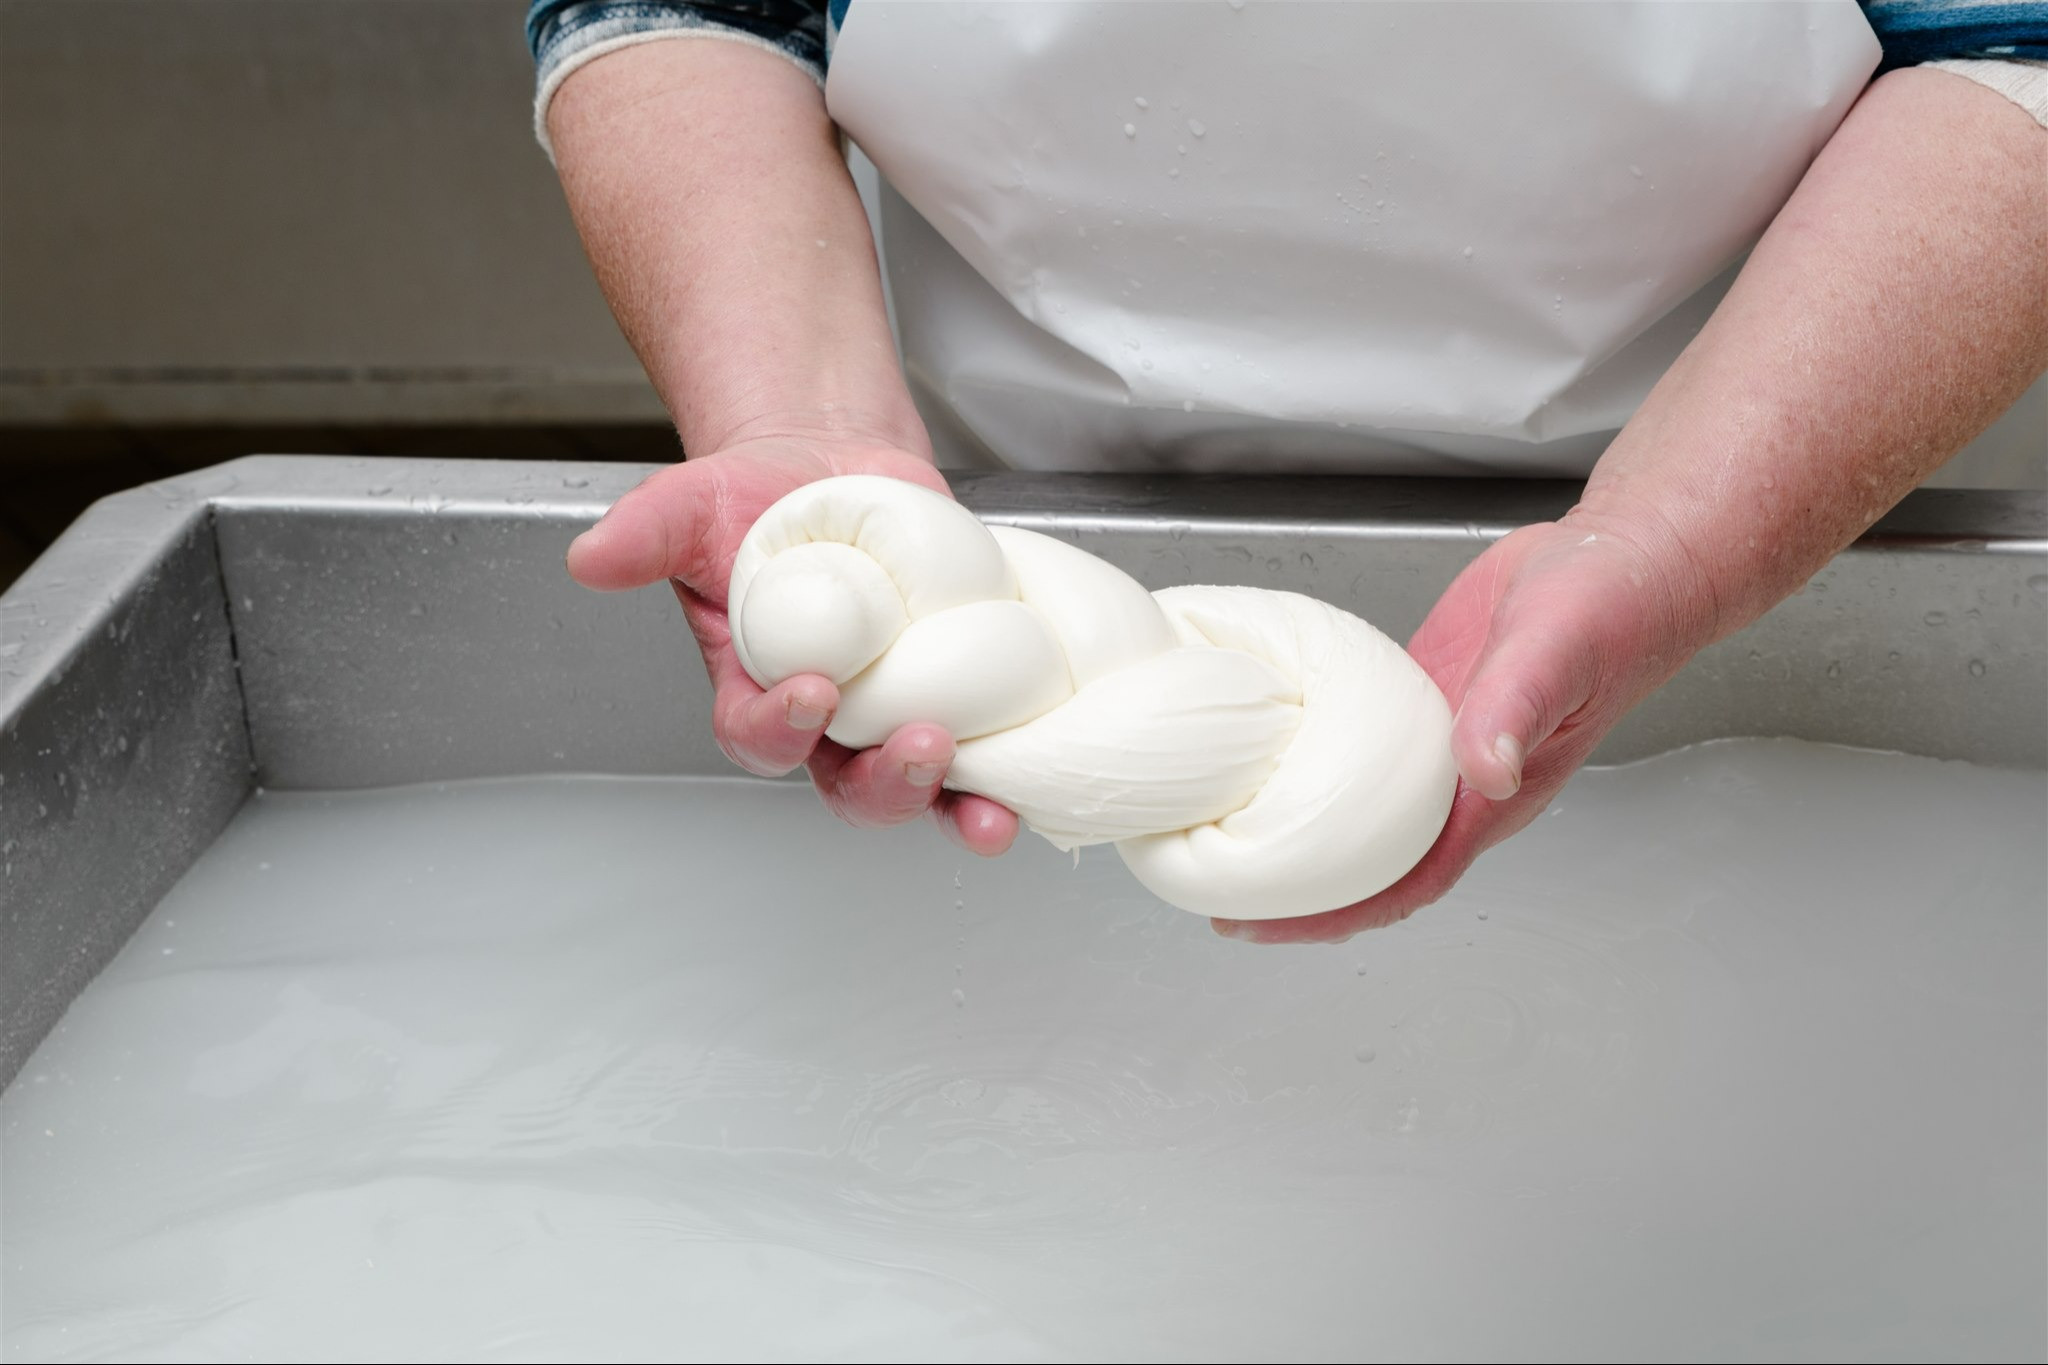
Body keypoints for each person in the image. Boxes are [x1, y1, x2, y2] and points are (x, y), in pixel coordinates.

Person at [526, 1, 2047, 943]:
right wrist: (796, 424)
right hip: (997, 511)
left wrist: (1686, 535)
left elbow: (2014, 43)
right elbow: (691, 6)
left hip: (1770, 455)